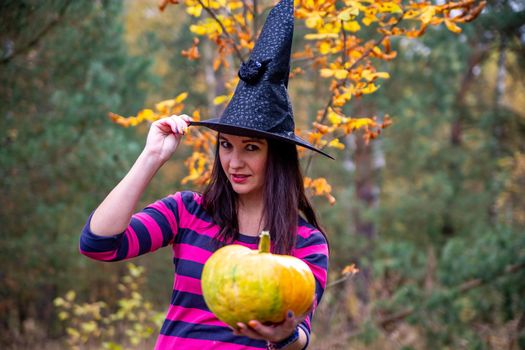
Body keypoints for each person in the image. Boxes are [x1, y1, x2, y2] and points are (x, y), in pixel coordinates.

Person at [79, 0, 332, 349]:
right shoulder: (189, 212)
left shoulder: (305, 241)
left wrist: (285, 337)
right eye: (226, 145)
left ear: (278, 158)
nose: (234, 162)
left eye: (252, 148)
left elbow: (301, 335)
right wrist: (152, 156)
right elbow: (98, 244)